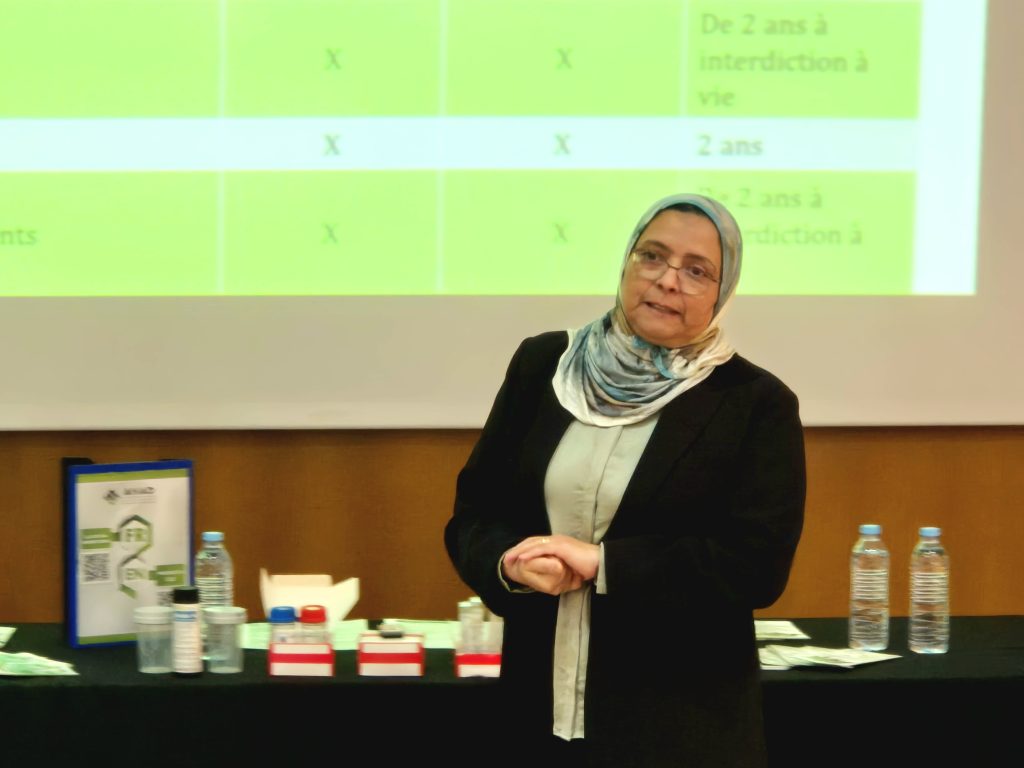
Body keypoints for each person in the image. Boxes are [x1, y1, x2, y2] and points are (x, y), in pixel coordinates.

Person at [444, 193, 806, 767]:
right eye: (652, 256)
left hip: (677, 727)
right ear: (627, 262)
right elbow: (476, 513)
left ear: (723, 291)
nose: (667, 280)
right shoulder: (544, 366)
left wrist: (603, 564)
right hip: (535, 711)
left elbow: (755, 566)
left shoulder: (754, 403)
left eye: (697, 271)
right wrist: (508, 562)